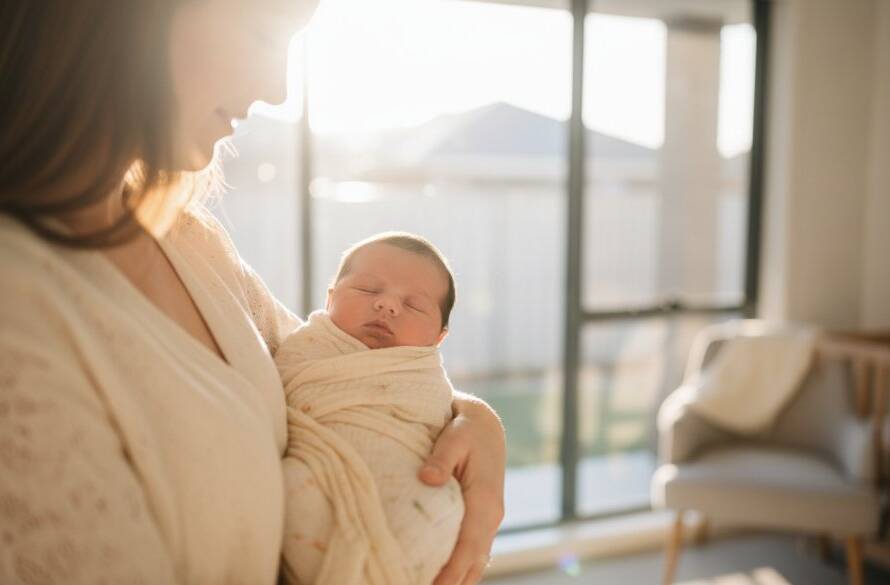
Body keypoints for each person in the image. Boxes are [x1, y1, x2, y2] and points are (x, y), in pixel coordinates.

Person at [0, 2, 506, 585]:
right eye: (264, 31)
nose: (277, 86)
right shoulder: (21, 323)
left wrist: (476, 425)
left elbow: (343, 368)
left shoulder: (189, 240)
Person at [278, 233, 465, 585]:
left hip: (417, 499)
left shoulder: (423, 379)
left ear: (439, 338)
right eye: (366, 290)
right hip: (317, 477)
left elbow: (436, 419)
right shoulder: (306, 347)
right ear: (329, 298)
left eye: (414, 305)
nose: (387, 306)